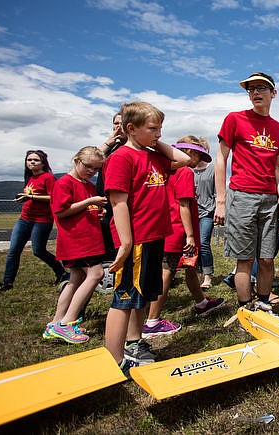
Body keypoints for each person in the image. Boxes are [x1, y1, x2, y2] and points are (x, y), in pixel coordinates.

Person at [103, 101, 191, 373]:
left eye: (161, 128)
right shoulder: (121, 158)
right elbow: (118, 203)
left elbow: (185, 159)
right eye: (153, 128)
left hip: (154, 237)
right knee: (124, 299)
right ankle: (113, 360)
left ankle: (134, 342)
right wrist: (126, 243)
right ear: (131, 128)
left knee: (141, 295)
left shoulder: (153, 156)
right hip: (135, 240)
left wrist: (155, 142)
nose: (159, 134)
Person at [214, 72, 279, 314]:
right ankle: (246, 309)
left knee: (267, 258)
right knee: (244, 259)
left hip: (270, 199)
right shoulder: (234, 119)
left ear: (273, 93)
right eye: (251, 89)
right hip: (242, 195)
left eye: (261, 88)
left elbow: (278, 167)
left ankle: (264, 302)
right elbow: (220, 159)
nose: (255, 92)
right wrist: (221, 201)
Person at [142, 137, 226, 339]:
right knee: (168, 270)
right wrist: (189, 235)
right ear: (187, 153)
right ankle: (152, 321)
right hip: (178, 230)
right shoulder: (185, 172)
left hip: (167, 225)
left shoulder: (164, 170)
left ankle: (201, 303)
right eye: (196, 154)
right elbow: (184, 204)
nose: (198, 159)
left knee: (190, 266)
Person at [44, 146, 107, 343]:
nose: (92, 171)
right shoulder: (64, 183)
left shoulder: (87, 184)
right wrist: (90, 203)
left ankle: (56, 322)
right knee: (97, 274)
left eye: (96, 169)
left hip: (88, 237)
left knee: (77, 277)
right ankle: (68, 323)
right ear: (76, 160)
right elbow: (61, 212)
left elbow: (83, 209)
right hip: (78, 240)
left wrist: (97, 211)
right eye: (88, 166)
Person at [0, 150, 67, 292]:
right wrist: (23, 198)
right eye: (29, 160)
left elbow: (54, 197)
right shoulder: (29, 178)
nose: (32, 162)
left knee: (38, 251)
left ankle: (62, 272)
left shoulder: (48, 178)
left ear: (43, 163)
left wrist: (31, 198)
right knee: (13, 250)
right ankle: (7, 282)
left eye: (36, 160)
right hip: (24, 218)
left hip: (42, 220)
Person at [97, 112, 127, 262]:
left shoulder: (131, 148)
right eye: (116, 123)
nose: (119, 127)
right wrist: (110, 141)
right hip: (104, 201)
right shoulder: (109, 147)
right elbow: (91, 159)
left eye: (122, 123)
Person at [192, 137, 216, 290]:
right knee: (195, 245)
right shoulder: (189, 170)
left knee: (204, 242)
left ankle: (208, 275)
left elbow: (217, 192)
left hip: (207, 211)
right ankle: (198, 272)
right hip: (193, 212)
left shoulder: (212, 169)